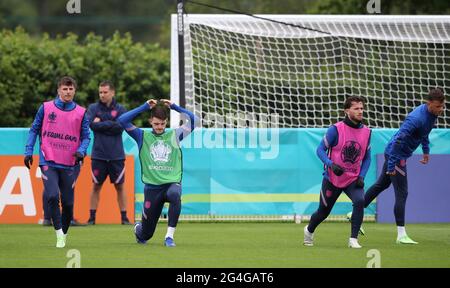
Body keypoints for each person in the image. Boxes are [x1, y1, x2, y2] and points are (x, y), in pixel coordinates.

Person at [363, 88, 445, 244]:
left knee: (381, 185)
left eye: (442, 106)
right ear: (429, 104)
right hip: (397, 156)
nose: (440, 110)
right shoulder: (415, 119)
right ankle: (401, 235)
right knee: (402, 193)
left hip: (396, 155)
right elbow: (398, 141)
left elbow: (424, 133)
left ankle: (355, 212)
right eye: (437, 107)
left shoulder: (431, 114)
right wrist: (392, 165)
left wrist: (426, 151)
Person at [118, 99, 196, 247]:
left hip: (171, 183)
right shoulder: (142, 136)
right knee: (145, 235)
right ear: (150, 122)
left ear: (166, 122)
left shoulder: (175, 135)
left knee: (175, 194)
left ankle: (169, 237)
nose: (159, 127)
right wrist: (144, 106)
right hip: (152, 189)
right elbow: (122, 120)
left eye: (162, 124)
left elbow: (194, 120)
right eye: (156, 124)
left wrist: (175, 107)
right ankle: (139, 229)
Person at [24, 76, 90, 248]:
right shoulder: (46, 108)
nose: (68, 92)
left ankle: (64, 233)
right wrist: (28, 151)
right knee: (52, 196)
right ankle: (59, 233)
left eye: (70, 89)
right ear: (59, 90)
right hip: (48, 160)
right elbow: (34, 130)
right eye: (64, 89)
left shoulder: (81, 112)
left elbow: (86, 137)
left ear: (74, 91)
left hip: (70, 163)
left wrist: (82, 151)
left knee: (68, 204)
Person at [304, 96, 371, 248]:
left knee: (360, 201)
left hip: (353, 179)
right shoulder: (335, 130)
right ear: (347, 111)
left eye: (361, 108)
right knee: (323, 212)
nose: (360, 111)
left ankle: (353, 239)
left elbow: (367, 158)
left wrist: (361, 176)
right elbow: (320, 150)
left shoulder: (367, 132)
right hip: (332, 178)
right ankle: (309, 231)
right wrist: (331, 164)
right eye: (356, 108)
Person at [86, 81, 131, 225]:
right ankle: (92, 218)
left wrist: (101, 123)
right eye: (100, 92)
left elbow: (120, 127)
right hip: (98, 155)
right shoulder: (93, 108)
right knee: (96, 186)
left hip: (116, 155)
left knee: (120, 186)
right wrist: (110, 122)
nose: (102, 95)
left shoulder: (121, 109)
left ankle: (124, 218)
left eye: (105, 92)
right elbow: (91, 125)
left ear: (112, 92)